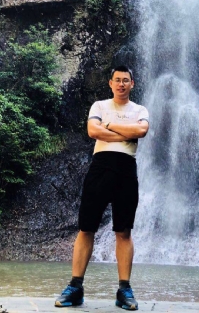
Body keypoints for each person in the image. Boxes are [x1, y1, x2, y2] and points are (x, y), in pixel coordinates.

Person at [55, 65, 149, 310]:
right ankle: (75, 287)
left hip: (127, 169)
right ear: (110, 83)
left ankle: (124, 290)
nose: (121, 84)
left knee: (124, 230)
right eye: (117, 80)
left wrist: (108, 127)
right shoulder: (99, 106)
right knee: (86, 227)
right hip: (100, 167)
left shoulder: (140, 110)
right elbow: (92, 130)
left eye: (125, 80)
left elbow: (141, 130)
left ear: (132, 84)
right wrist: (125, 133)